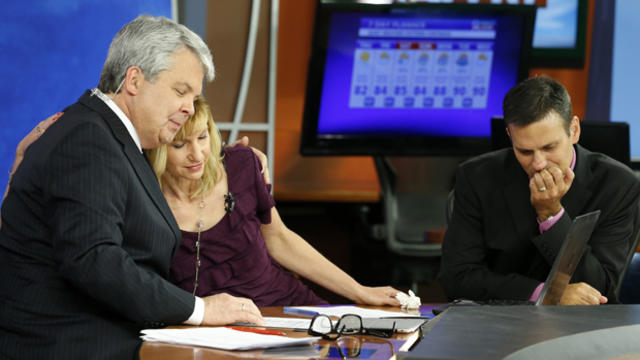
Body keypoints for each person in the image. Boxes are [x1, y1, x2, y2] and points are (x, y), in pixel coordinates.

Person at [0, 15, 264, 359]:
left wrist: (242, 163)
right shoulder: (88, 139)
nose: (189, 107)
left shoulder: (114, 138)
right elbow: (93, 258)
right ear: (135, 80)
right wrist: (201, 310)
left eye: (194, 96)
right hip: (72, 346)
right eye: (181, 91)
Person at [145, 97, 402, 306]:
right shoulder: (142, 197)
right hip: (211, 330)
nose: (197, 154)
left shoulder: (242, 164)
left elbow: (279, 239)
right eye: (179, 145)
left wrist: (360, 291)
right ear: (158, 146)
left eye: (202, 138)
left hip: (282, 304)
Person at [439, 76, 640, 305]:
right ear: (510, 136)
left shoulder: (618, 184)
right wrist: (544, 295)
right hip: (498, 321)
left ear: (573, 130)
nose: (538, 163)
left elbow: (600, 289)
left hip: (579, 329)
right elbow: (457, 279)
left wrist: (552, 214)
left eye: (549, 147)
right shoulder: (476, 177)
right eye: (525, 151)